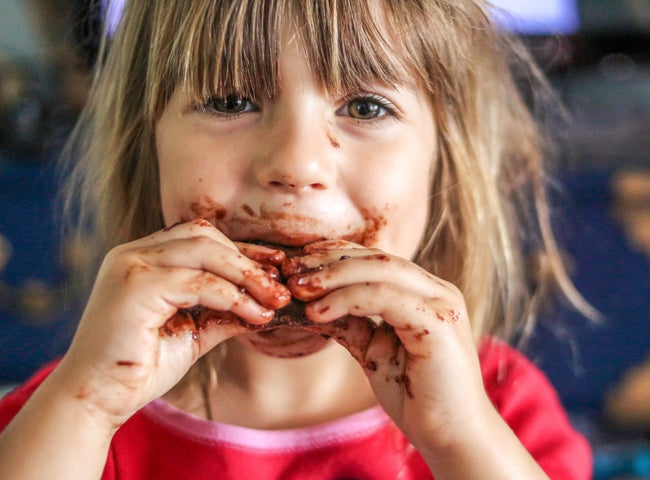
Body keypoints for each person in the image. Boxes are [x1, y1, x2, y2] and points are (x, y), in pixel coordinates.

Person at [0, 0, 592, 478]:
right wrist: (87, 406)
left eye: (366, 106)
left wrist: (459, 439)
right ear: (145, 145)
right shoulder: (66, 416)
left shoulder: (494, 410)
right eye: (230, 100)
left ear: (446, 163)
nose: (295, 162)